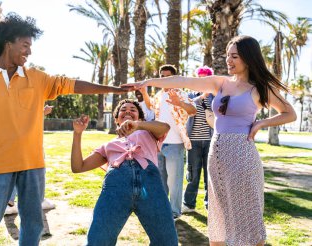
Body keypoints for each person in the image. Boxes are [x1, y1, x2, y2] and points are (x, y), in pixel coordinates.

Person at [0, 13, 132, 246]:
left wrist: (114, 90)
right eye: (25, 45)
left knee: (33, 224)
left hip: (33, 165)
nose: (29, 51)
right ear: (7, 42)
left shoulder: (37, 78)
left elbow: (71, 85)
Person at [125, 35, 296, 245]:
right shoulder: (220, 83)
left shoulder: (259, 88)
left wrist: (261, 123)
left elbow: (289, 113)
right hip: (218, 155)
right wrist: (149, 82)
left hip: (242, 155)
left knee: (247, 213)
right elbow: (184, 80)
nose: (228, 61)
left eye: (234, 56)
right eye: (227, 56)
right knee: (219, 214)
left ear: (248, 58)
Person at [71, 99, 178, 245]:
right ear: (116, 119)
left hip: (151, 186)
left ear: (140, 118)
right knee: (97, 241)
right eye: (123, 109)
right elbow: (78, 167)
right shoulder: (108, 145)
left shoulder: (149, 133)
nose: (128, 111)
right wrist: (77, 134)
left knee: (167, 241)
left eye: (133, 109)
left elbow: (165, 127)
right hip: (116, 187)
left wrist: (138, 126)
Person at [139, 64, 197, 218]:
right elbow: (151, 106)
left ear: (174, 79)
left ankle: (174, 211)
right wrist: (144, 92)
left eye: (168, 77)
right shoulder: (158, 95)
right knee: (161, 180)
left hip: (175, 144)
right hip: (158, 143)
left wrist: (180, 103)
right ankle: (164, 210)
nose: (164, 80)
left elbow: (193, 111)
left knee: (174, 181)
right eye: (162, 77)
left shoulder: (180, 94)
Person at [5, 105, 55, 215]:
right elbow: (24, 118)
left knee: (16, 168)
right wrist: (42, 112)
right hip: (27, 139)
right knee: (37, 168)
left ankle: (10, 201)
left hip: (16, 138)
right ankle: (38, 200)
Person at [182, 65, 215, 213]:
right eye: (200, 78)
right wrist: (201, 97)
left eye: (205, 78)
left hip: (211, 140)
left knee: (210, 174)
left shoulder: (216, 97)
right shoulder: (191, 96)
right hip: (194, 140)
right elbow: (186, 106)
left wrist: (209, 96)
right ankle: (189, 204)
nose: (202, 81)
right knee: (193, 173)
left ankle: (210, 204)